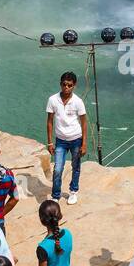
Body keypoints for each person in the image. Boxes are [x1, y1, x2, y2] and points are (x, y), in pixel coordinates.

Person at [46, 71, 87, 205]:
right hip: (60, 141)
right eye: (64, 84)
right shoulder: (53, 99)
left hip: (76, 139)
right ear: (60, 84)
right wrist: (50, 142)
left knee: (76, 167)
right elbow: (50, 121)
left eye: (69, 85)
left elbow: (84, 122)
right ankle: (56, 195)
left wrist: (84, 143)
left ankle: (73, 191)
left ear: (74, 85)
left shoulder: (78, 102)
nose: (66, 88)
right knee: (58, 168)